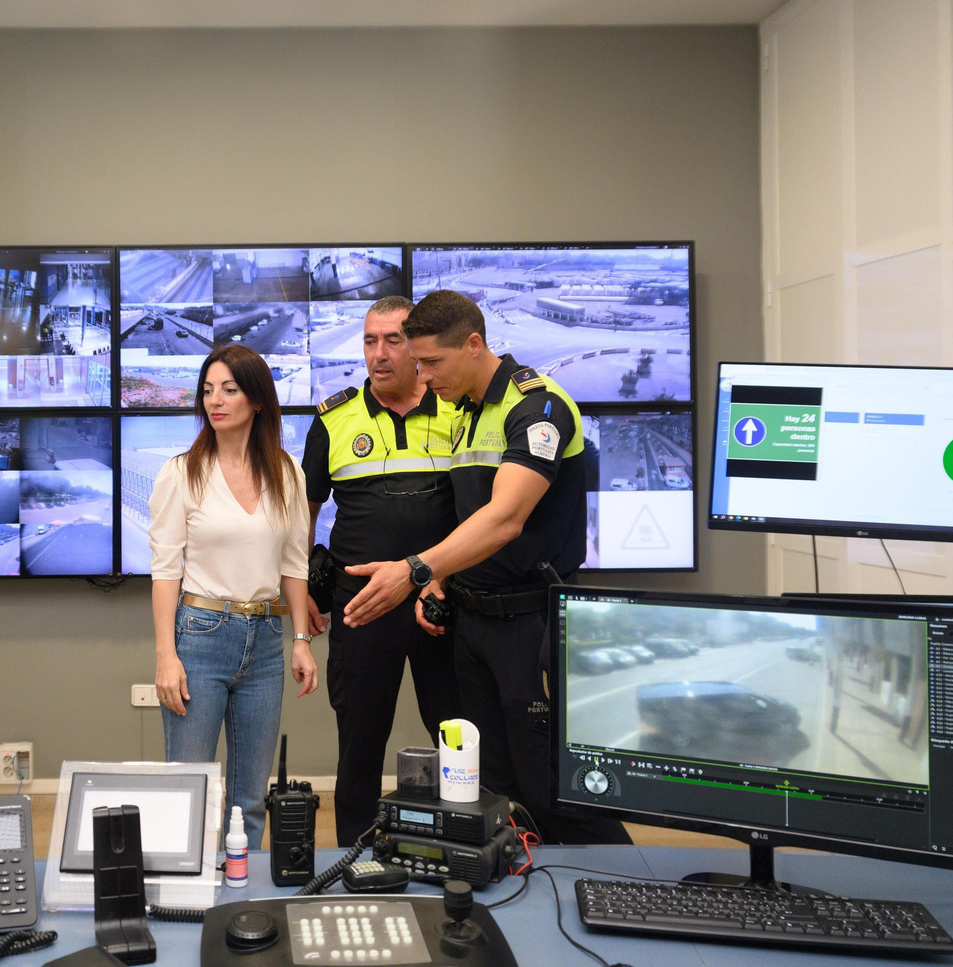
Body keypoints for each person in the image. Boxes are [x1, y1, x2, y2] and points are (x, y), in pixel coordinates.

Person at [340, 290, 628, 845]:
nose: (421, 375)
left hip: (532, 626)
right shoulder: (465, 412)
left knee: (555, 788)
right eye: (417, 362)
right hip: (474, 627)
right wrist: (443, 578)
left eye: (432, 363)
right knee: (491, 788)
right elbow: (466, 515)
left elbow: (504, 519)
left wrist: (415, 570)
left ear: (474, 345)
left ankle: (623, 893)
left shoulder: (536, 407)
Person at [300, 296, 462, 844]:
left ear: (417, 347)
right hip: (361, 607)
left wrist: (439, 580)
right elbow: (306, 513)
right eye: (370, 341)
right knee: (360, 741)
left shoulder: (457, 411)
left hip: (440, 604)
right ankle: (356, 854)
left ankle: (463, 849)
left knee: (458, 736)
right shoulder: (333, 419)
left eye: (393, 340)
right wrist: (300, 591)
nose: (380, 353)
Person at [150, 344, 319, 844]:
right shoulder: (181, 472)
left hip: (266, 639)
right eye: (207, 391)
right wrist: (165, 655)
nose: (215, 401)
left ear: (258, 400)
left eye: (229, 389)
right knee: (189, 787)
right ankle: (184, 896)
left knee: (249, 798)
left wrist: (301, 639)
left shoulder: (286, 472)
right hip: (200, 636)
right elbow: (164, 571)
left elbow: (294, 563)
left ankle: (241, 895)